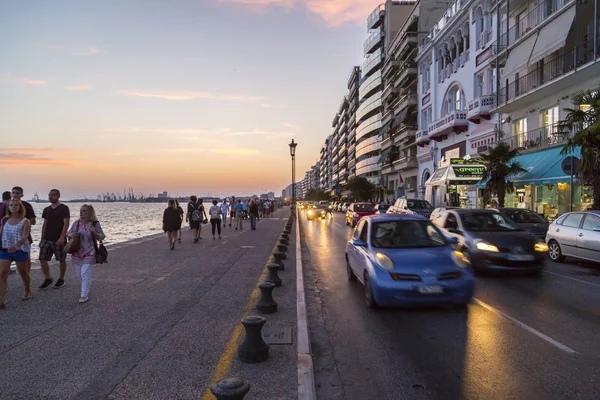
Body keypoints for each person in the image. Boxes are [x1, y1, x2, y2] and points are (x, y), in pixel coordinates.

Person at [66, 204, 105, 303]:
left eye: (84, 211)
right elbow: (68, 233)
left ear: (90, 213)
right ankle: (86, 285)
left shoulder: (95, 224)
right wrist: (71, 235)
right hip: (77, 251)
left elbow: (102, 236)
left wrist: (95, 232)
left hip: (89, 251)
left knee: (84, 273)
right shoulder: (76, 223)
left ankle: (84, 295)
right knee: (79, 274)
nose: (81, 213)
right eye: (81, 211)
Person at [0, 198, 33, 308]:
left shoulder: (25, 221)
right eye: (11, 205)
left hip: (20, 250)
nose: (13, 207)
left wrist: (16, 245)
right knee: (2, 274)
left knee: (23, 272)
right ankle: (1, 301)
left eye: (16, 205)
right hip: (5, 250)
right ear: (8, 207)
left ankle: (27, 290)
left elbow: (25, 236)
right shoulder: (4, 220)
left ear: (20, 207)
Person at [39, 189, 70, 290]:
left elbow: (66, 223)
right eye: (49, 195)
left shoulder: (64, 208)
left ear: (58, 196)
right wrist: (42, 238)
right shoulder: (47, 209)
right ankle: (48, 278)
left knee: (61, 259)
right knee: (42, 258)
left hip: (59, 238)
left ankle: (61, 279)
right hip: (47, 239)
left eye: (53, 195)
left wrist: (62, 237)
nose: (50, 197)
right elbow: (45, 224)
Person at [11, 186, 36, 273]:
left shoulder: (27, 205)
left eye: (17, 193)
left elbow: (33, 221)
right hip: (9, 237)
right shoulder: (8, 205)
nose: (15, 195)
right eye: (13, 192)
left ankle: (27, 275)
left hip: (24, 236)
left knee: (26, 258)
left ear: (22, 195)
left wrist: (21, 223)